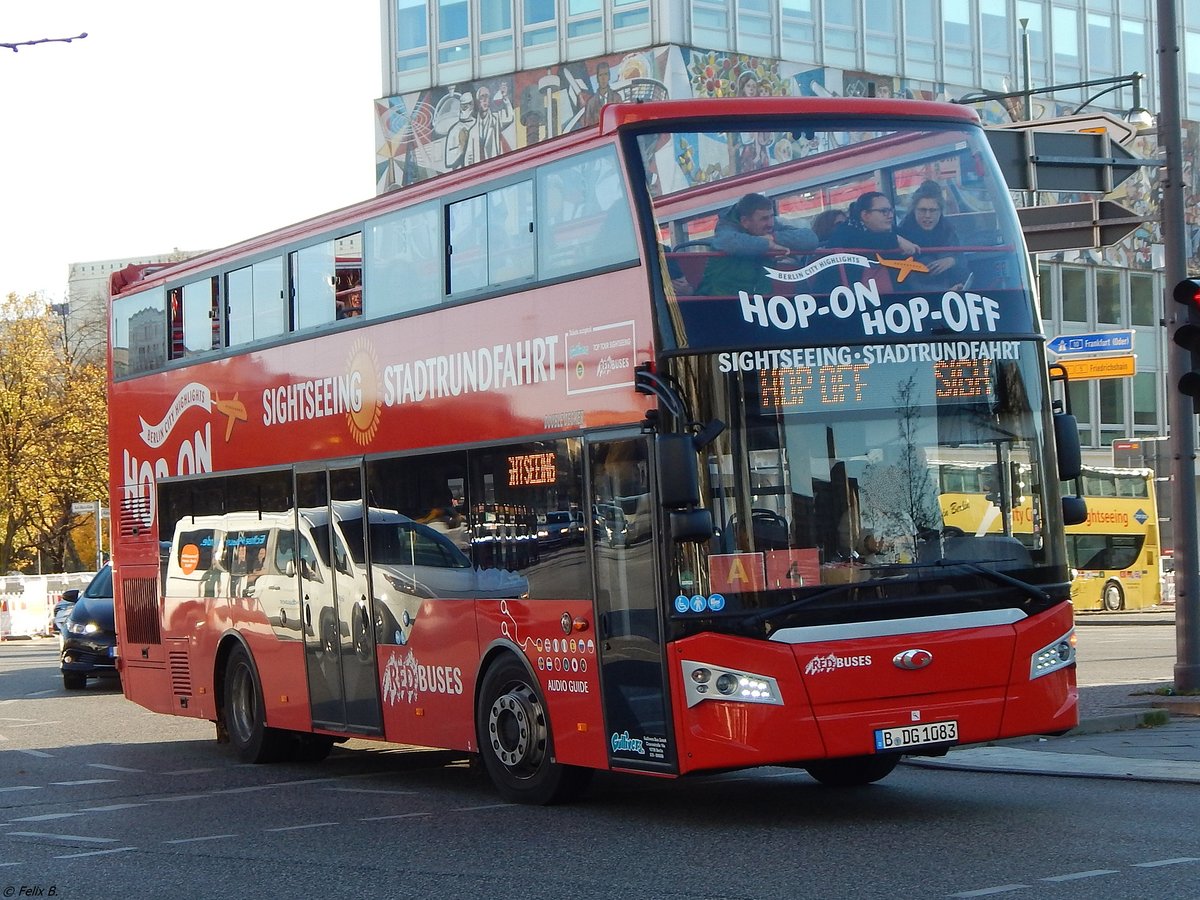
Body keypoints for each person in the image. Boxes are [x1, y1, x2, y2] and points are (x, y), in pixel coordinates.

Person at [697, 193, 818, 296]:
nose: (771, 223)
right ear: (745, 221)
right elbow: (729, 242)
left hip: (758, 305)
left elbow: (810, 239)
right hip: (719, 304)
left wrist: (773, 237)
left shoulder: (771, 227)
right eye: (764, 219)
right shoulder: (726, 228)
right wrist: (768, 245)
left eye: (772, 216)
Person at [897, 180, 968, 291]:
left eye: (933, 210)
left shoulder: (947, 229)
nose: (928, 215)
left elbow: (963, 263)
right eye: (922, 210)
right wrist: (945, 292)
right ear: (914, 210)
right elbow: (905, 278)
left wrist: (952, 261)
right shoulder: (902, 232)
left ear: (940, 211)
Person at [826, 191, 921, 256]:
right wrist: (895, 240)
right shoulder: (845, 232)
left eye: (890, 210)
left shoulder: (894, 230)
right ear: (865, 215)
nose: (890, 215)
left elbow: (916, 241)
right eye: (884, 211)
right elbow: (861, 240)